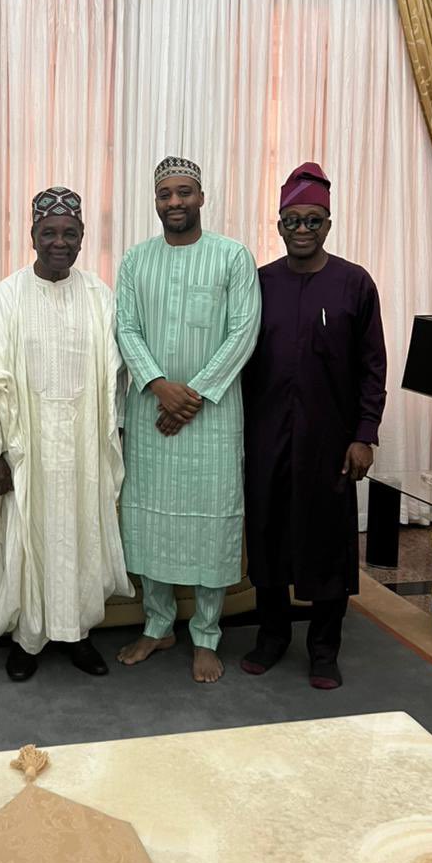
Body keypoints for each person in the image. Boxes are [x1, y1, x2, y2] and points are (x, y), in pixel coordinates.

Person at [0, 187, 132, 681]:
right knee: (26, 542)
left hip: (83, 447)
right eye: (49, 233)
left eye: (69, 233)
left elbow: (113, 378)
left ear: (82, 239)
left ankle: (76, 634)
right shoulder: (7, 295)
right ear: (32, 236)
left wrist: (114, 438)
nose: (59, 242)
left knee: (81, 535)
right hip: (24, 447)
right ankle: (28, 639)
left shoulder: (99, 295)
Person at [115, 156, 261, 683]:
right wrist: (159, 386)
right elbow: (126, 329)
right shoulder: (135, 260)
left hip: (212, 416)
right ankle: (158, 626)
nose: (174, 202)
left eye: (184, 193)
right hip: (152, 412)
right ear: (155, 201)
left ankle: (206, 634)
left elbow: (243, 332)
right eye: (164, 195)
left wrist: (191, 395)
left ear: (202, 197)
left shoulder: (232, 257)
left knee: (211, 522)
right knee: (149, 518)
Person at [241, 162, 386, 689]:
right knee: (269, 536)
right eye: (292, 221)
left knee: (328, 542)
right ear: (279, 225)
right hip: (266, 438)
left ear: (329, 224)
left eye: (313, 221)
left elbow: (373, 367)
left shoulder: (354, 284)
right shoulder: (258, 283)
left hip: (331, 443)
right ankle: (272, 637)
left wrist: (364, 434)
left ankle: (324, 648)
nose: (302, 230)